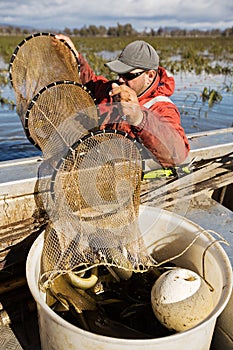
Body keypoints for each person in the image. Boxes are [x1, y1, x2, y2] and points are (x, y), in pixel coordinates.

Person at [55, 34, 190, 168]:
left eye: (128, 75)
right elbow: (92, 83)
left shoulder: (162, 107)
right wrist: (75, 58)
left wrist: (139, 118)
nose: (120, 80)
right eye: (119, 73)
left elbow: (177, 154)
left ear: (149, 76)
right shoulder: (115, 89)